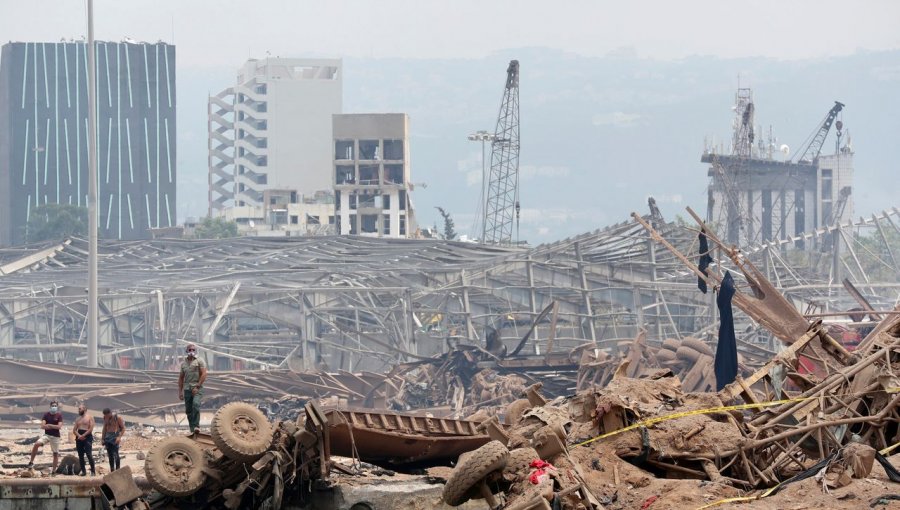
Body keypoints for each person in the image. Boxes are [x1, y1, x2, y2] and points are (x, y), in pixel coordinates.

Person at [178, 343, 207, 433]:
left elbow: (204, 374)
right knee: (188, 410)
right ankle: (192, 429)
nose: (191, 351)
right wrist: (180, 392)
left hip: (197, 388)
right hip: (187, 389)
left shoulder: (199, 361)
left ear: (195, 351)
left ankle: (196, 426)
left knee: (196, 405)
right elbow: (181, 378)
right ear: (187, 351)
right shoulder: (183, 364)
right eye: (190, 350)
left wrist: (197, 386)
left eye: (193, 350)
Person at [27, 400, 64, 472]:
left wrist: (49, 425)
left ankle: (53, 471)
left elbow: (59, 427)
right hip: (47, 435)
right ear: (50, 407)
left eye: (55, 406)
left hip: (56, 436)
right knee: (36, 444)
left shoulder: (59, 415)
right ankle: (31, 462)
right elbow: (42, 426)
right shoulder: (46, 415)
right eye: (53, 406)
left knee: (55, 453)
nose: (54, 407)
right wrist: (53, 426)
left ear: (57, 407)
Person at [72, 403, 96, 476]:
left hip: (87, 436)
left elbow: (91, 429)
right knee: (80, 455)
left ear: (85, 409)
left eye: (80, 409)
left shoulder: (90, 417)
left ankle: (93, 471)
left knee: (89, 454)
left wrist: (84, 435)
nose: (79, 410)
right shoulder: (77, 419)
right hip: (79, 436)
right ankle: (83, 471)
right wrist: (79, 436)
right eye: (78, 409)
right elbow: (74, 430)